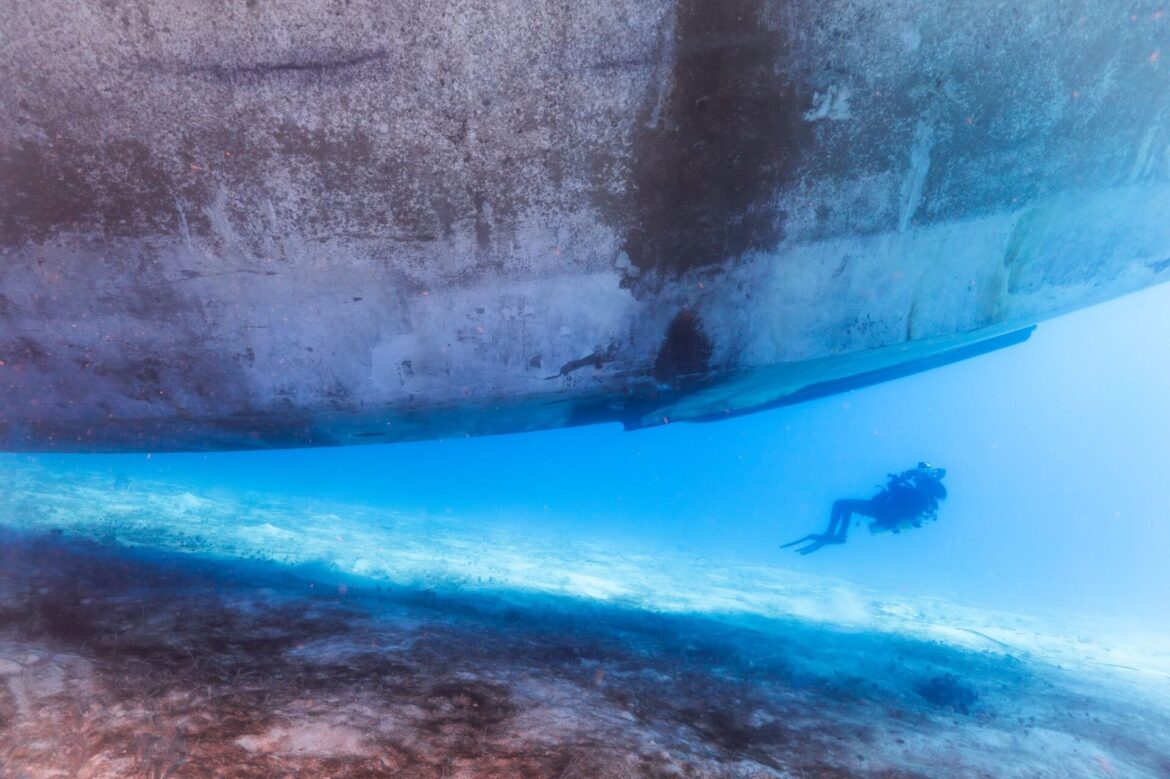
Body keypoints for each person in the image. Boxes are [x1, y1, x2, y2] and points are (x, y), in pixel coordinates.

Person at [782, 462, 948, 555]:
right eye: (919, 474)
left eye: (922, 474)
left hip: (883, 512)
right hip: (884, 512)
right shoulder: (921, 490)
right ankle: (838, 535)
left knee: (841, 504)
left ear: (928, 476)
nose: (918, 477)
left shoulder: (921, 492)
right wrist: (901, 480)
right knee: (844, 506)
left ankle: (834, 534)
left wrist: (900, 482)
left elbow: (903, 499)